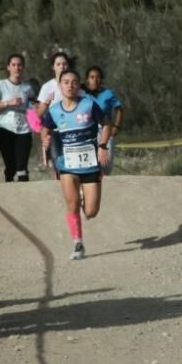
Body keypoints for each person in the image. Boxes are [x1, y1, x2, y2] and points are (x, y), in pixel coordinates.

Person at [40, 69, 111, 260]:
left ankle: (84, 193)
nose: (70, 85)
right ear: (60, 86)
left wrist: (103, 146)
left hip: (90, 165)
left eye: (74, 82)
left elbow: (106, 124)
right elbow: (45, 130)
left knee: (91, 212)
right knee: (71, 206)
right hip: (67, 165)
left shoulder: (89, 105)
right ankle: (77, 244)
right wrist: (45, 141)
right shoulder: (54, 110)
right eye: (66, 82)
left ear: (79, 85)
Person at [0, 54, 35, 182]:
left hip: (23, 130)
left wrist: (37, 124)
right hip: (4, 130)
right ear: (8, 67)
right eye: (13, 65)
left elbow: (33, 108)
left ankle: (24, 195)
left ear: (23, 67)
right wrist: (8, 103)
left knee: (22, 166)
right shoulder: (0, 84)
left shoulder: (27, 87)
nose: (16, 68)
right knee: (11, 165)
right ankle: (9, 184)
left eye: (19, 65)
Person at [84, 66, 124, 175]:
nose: (95, 80)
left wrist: (116, 126)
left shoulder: (108, 94)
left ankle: (104, 185)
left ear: (101, 79)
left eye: (98, 77)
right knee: (91, 164)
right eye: (92, 77)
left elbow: (119, 109)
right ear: (87, 79)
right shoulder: (83, 95)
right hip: (89, 131)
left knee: (106, 164)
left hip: (105, 130)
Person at [37, 52, 71, 170]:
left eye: (64, 64)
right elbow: (39, 114)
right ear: (53, 67)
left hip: (72, 130)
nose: (62, 66)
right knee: (58, 164)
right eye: (58, 64)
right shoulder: (47, 87)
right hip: (54, 131)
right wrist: (46, 102)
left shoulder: (74, 85)